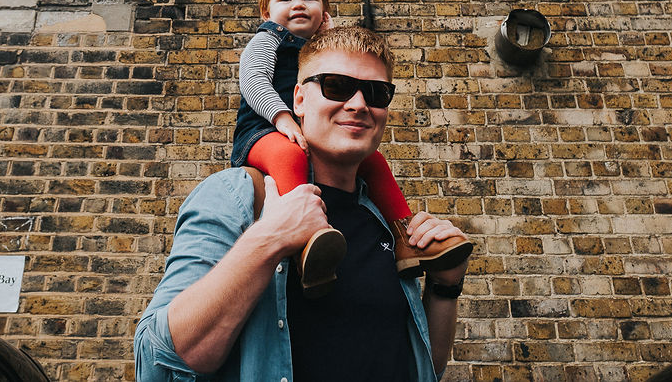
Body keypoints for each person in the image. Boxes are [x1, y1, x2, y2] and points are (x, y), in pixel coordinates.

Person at [135, 25, 472, 382]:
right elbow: (156, 360)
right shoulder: (237, 197)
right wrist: (268, 240)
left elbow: (422, 369)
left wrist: (444, 287)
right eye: (336, 86)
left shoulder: (382, 219)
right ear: (298, 99)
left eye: (376, 93)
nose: (358, 104)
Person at [232, 0, 471, 296]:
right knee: (289, 156)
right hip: (262, 130)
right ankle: (306, 241)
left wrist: (328, 33)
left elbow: (340, 59)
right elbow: (253, 82)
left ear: (324, 11)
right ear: (266, 11)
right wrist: (281, 118)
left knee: (375, 162)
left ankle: (406, 240)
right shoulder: (266, 40)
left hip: (299, 130)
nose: (298, 4)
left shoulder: (316, 47)